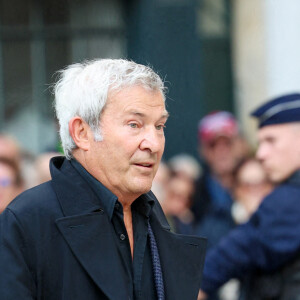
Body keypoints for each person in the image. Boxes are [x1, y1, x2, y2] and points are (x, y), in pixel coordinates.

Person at [0, 59, 206, 300]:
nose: (154, 143)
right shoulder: (26, 220)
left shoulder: (152, 213)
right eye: (134, 124)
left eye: (159, 126)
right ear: (82, 133)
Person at [198, 93, 300, 300]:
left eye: (271, 141)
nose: (261, 153)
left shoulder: (289, 199)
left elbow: (238, 250)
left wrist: (196, 284)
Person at [192, 112, 250, 250]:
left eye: (228, 143)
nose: (221, 150)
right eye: (213, 145)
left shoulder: (260, 185)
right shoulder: (191, 196)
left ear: (241, 144)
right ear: (203, 150)